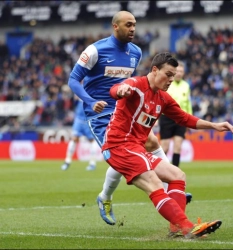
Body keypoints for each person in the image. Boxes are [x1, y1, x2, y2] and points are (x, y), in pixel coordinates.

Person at [102, 52, 233, 238]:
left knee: (177, 175)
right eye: (168, 74)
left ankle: (175, 230)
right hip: (118, 146)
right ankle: (188, 227)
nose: (171, 79)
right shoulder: (136, 85)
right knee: (155, 183)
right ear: (155, 70)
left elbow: (184, 118)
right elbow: (117, 88)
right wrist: (120, 91)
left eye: (174, 76)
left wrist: (213, 126)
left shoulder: (163, 98)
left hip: (136, 149)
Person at [67, 11, 174, 226]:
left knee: (151, 141)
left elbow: (129, 82)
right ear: (115, 26)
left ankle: (168, 188)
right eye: (128, 25)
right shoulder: (95, 50)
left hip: (125, 110)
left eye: (134, 24)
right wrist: (89, 101)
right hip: (101, 112)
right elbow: (73, 80)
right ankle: (107, 197)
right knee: (121, 155)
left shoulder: (136, 52)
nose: (133, 28)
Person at [159, 61, 193, 203]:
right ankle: (161, 174)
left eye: (181, 71)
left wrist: (190, 119)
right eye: (177, 71)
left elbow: (188, 103)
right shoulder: (168, 83)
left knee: (178, 146)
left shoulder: (186, 85)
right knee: (165, 147)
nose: (179, 73)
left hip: (181, 118)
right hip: (166, 118)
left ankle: (174, 178)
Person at [61, 99, 98, 171]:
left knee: (91, 140)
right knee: (74, 138)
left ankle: (92, 163)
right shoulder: (80, 90)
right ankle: (67, 161)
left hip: (88, 120)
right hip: (78, 120)